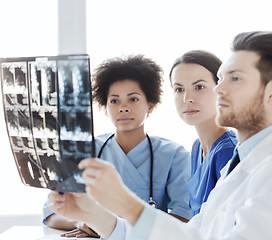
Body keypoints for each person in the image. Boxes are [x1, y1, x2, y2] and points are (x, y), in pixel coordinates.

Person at [48, 31, 272, 239]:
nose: (219, 89)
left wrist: (126, 204)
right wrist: (93, 214)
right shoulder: (242, 165)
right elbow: (192, 235)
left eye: (234, 79)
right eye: (221, 78)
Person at [43, 55, 192, 238]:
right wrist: (83, 221)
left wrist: (117, 228)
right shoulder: (84, 151)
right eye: (114, 101)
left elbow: (185, 218)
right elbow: (51, 212)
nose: (123, 107)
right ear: (105, 107)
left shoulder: (174, 155)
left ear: (150, 105)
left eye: (133, 99)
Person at [169, 50, 237, 216]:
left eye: (199, 87)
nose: (187, 98)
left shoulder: (228, 152)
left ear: (221, 89)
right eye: (179, 89)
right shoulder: (197, 147)